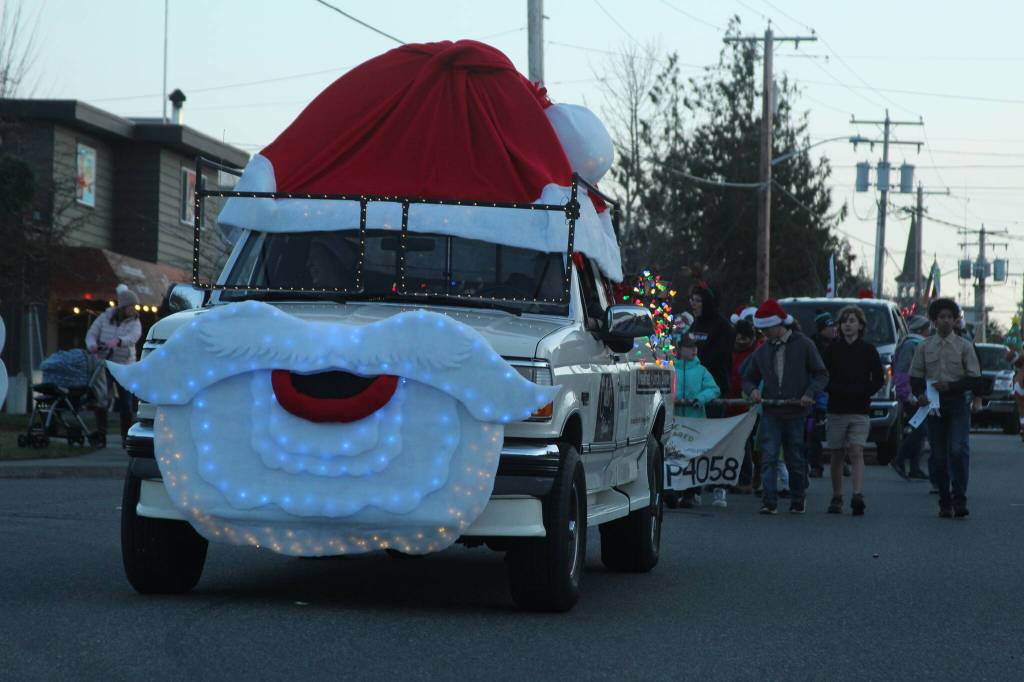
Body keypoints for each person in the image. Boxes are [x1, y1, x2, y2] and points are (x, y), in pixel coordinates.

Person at [742, 299, 829, 515]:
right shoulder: (762, 351)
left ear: (778, 324)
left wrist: (809, 393)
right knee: (768, 455)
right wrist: (752, 390)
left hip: (796, 412)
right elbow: (748, 377)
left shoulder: (804, 344)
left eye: (766, 328)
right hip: (771, 411)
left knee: (795, 457)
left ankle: (798, 498)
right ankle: (769, 501)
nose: (763, 333)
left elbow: (821, 374)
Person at [909, 298, 981, 518]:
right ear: (934, 320)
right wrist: (919, 395)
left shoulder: (964, 346)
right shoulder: (924, 346)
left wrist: (951, 386)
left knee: (958, 451)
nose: (945, 321)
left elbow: (974, 379)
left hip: (957, 404)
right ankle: (944, 500)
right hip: (933, 407)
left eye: (950, 317)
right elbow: (915, 376)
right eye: (941, 317)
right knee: (938, 456)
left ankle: (959, 497)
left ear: (955, 320)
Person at [821, 306, 885, 515]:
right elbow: (823, 376)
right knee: (837, 454)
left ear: (860, 325)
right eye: (844, 321)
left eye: (852, 321)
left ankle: (858, 494)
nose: (848, 324)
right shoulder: (831, 350)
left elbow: (878, 379)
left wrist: (863, 391)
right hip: (836, 409)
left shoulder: (868, 350)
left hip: (860, 409)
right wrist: (835, 390)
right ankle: (837, 495)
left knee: (856, 451)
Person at [86, 284, 143, 446]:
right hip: (105, 363)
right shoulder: (105, 318)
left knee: (125, 401)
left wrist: (119, 341)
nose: (133, 309)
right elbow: (92, 333)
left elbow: (133, 337)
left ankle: (126, 437)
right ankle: (101, 434)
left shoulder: (135, 322)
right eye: (130, 306)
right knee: (102, 397)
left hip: (125, 365)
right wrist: (91, 345)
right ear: (122, 307)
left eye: (134, 306)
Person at [672, 332, 722, 507]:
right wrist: (672, 398)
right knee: (674, 454)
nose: (694, 349)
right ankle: (672, 491)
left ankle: (690, 493)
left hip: (695, 421)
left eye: (695, 346)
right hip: (675, 421)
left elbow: (714, 389)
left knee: (692, 456)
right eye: (689, 346)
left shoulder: (701, 370)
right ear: (679, 349)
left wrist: (700, 398)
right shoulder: (672, 369)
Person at [892, 315, 932, 479]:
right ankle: (899, 459)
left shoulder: (921, 344)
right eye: (928, 328)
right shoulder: (910, 345)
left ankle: (914, 467)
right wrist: (906, 394)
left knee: (920, 431)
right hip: (912, 395)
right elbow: (902, 371)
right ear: (922, 329)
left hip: (922, 393)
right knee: (919, 429)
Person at [688, 284, 735, 416]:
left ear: (707, 303)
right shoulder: (695, 324)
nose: (693, 304)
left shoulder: (723, 327)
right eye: (692, 300)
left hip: (714, 389)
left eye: (698, 300)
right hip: (693, 389)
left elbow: (718, 358)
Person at [728, 318, 759, 494]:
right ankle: (726, 476)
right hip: (729, 401)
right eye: (738, 337)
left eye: (744, 337)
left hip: (745, 405)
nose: (740, 340)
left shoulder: (754, 353)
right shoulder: (729, 351)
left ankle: (745, 478)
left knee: (744, 442)